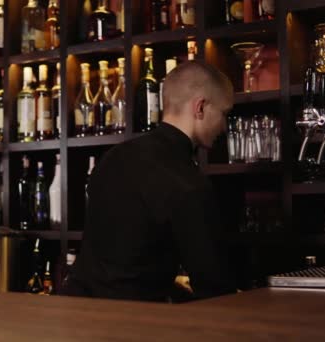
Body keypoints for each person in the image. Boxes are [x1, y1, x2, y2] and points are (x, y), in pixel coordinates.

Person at [65, 61, 237, 302]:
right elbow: (214, 286)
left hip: (76, 311)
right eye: (224, 114)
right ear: (200, 107)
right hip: (134, 325)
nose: (224, 126)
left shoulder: (114, 156)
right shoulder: (186, 179)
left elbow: (117, 266)